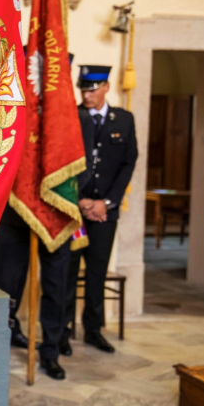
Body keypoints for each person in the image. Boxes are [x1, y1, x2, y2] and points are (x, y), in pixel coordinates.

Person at [60, 65, 138, 354]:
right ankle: (62, 331)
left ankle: (93, 330)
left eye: (92, 89)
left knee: (97, 271)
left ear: (106, 87)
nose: (87, 94)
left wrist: (106, 203)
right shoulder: (72, 117)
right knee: (67, 271)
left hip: (105, 212)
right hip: (74, 210)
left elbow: (128, 162)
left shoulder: (124, 120)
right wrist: (80, 201)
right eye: (83, 89)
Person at [0, 204, 71, 380]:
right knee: (5, 285)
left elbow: (80, 175)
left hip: (56, 215)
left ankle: (50, 354)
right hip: (16, 212)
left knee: (56, 286)